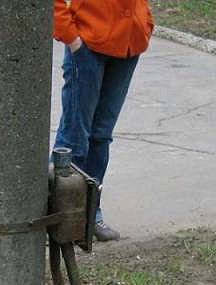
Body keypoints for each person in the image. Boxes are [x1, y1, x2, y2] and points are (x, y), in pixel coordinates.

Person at [53, 0, 154, 241]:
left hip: (128, 46)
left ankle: (90, 216)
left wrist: (145, 22)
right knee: (74, 137)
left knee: (101, 136)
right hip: (87, 46)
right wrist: (70, 35)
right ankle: (58, 218)